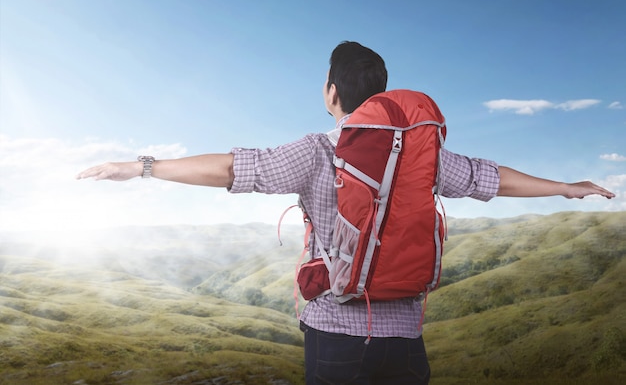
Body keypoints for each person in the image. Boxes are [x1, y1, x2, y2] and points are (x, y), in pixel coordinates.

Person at [77, 41, 615, 384]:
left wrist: (143, 166)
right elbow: (491, 179)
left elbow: (233, 168)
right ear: (380, 94)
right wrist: (567, 187)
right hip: (405, 335)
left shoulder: (316, 150)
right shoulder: (419, 155)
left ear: (332, 93)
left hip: (335, 333)